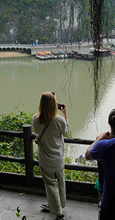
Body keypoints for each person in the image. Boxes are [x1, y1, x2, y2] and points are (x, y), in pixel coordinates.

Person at [33, 92, 69, 220]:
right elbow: (65, 131)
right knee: (60, 182)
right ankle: (60, 206)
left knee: (50, 185)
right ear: (55, 105)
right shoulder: (60, 120)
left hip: (45, 159)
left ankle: (57, 210)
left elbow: (37, 131)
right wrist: (64, 114)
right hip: (58, 158)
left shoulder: (36, 119)